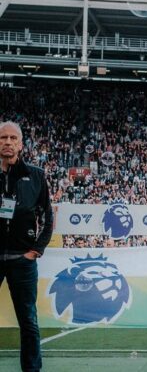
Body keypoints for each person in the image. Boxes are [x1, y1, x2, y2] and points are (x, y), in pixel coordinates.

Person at [0, 121, 54, 372]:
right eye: (3, 138)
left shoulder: (35, 176)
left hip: (22, 261)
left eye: (13, 138)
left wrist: (36, 250)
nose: (7, 142)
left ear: (21, 144)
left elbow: (49, 217)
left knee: (29, 323)